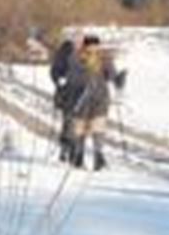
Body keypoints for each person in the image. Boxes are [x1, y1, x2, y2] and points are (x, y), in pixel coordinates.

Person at [66, 35, 127, 171]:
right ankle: (78, 157)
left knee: (98, 129)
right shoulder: (75, 59)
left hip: (99, 100)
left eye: (96, 45)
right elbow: (72, 79)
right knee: (79, 130)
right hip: (80, 100)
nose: (93, 48)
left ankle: (98, 158)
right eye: (91, 45)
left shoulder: (104, 60)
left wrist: (119, 79)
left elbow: (112, 76)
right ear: (85, 46)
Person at [50, 37, 78, 162]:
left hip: (72, 97)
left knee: (69, 124)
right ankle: (67, 149)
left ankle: (68, 149)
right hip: (67, 98)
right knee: (69, 123)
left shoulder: (62, 59)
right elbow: (54, 74)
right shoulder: (60, 60)